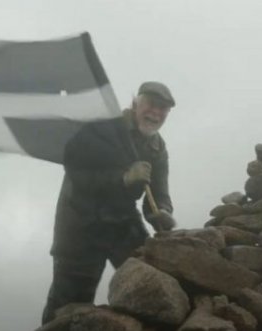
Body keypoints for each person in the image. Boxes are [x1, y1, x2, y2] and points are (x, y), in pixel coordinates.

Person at [41, 81, 177, 324]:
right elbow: (77, 174)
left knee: (149, 280)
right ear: (135, 103)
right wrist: (122, 179)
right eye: (151, 105)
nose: (156, 113)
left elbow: (158, 192)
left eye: (163, 109)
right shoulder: (103, 128)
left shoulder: (157, 147)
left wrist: (162, 212)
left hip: (122, 223)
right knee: (70, 304)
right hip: (79, 224)